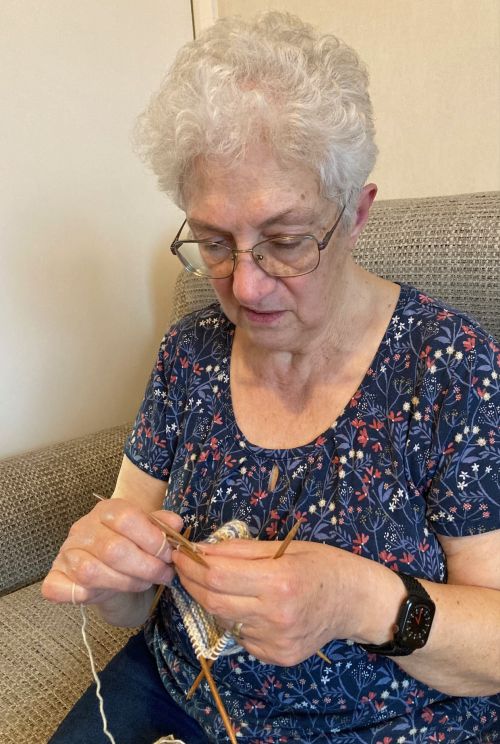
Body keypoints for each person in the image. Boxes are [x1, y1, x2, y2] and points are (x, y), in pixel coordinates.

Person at [42, 11, 500, 744]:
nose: (246, 287)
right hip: (176, 686)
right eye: (216, 243)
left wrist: (360, 601)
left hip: (379, 725)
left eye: (285, 241)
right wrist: (116, 570)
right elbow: (133, 595)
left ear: (355, 213)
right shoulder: (189, 353)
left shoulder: (448, 367)